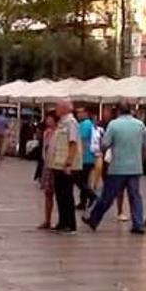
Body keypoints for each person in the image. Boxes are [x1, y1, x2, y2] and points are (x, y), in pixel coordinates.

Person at [83, 101, 146, 234]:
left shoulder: (114, 125)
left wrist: (103, 153)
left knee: (108, 196)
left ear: (118, 111)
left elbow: (105, 144)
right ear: (130, 110)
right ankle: (138, 224)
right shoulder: (140, 125)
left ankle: (94, 219)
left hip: (117, 167)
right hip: (135, 167)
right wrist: (141, 159)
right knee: (135, 196)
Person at [48, 99, 82, 234]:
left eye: (58, 106)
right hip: (57, 164)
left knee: (66, 195)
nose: (56, 109)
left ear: (65, 108)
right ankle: (62, 222)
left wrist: (69, 163)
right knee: (60, 195)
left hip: (66, 166)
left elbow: (72, 143)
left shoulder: (71, 123)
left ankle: (70, 224)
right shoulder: (62, 122)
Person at [38, 112, 58, 230]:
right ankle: (47, 219)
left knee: (58, 194)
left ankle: (59, 219)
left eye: (49, 119)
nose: (47, 121)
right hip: (47, 164)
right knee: (48, 193)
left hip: (56, 165)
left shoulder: (59, 132)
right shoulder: (47, 133)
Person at [76, 108, 98, 210]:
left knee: (79, 180)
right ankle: (83, 201)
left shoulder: (85, 124)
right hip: (88, 157)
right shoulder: (87, 124)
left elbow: (82, 139)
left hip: (86, 157)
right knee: (83, 180)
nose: (78, 114)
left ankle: (92, 196)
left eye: (80, 112)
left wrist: (80, 155)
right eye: (77, 113)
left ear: (86, 113)